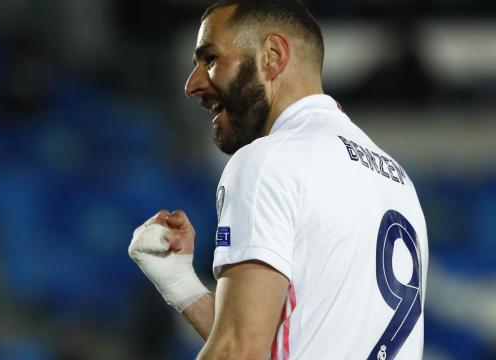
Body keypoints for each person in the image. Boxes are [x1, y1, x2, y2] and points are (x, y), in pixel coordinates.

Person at [128, 1, 429, 359]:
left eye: (210, 60)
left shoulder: (269, 161)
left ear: (271, 56)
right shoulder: (396, 180)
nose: (192, 85)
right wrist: (183, 288)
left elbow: (239, 351)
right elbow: (286, 340)